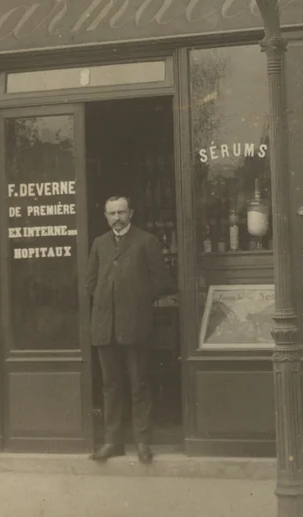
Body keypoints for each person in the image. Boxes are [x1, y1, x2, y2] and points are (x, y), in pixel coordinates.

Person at [85, 195, 174, 464]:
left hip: (135, 324)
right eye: (112, 213)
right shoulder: (99, 244)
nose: (117, 218)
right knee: (110, 386)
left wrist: (133, 299)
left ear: (131, 213)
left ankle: (142, 442)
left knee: (139, 384)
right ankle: (113, 441)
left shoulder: (146, 241)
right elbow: (90, 282)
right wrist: (107, 301)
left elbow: (162, 282)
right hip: (105, 326)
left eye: (121, 212)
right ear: (106, 216)